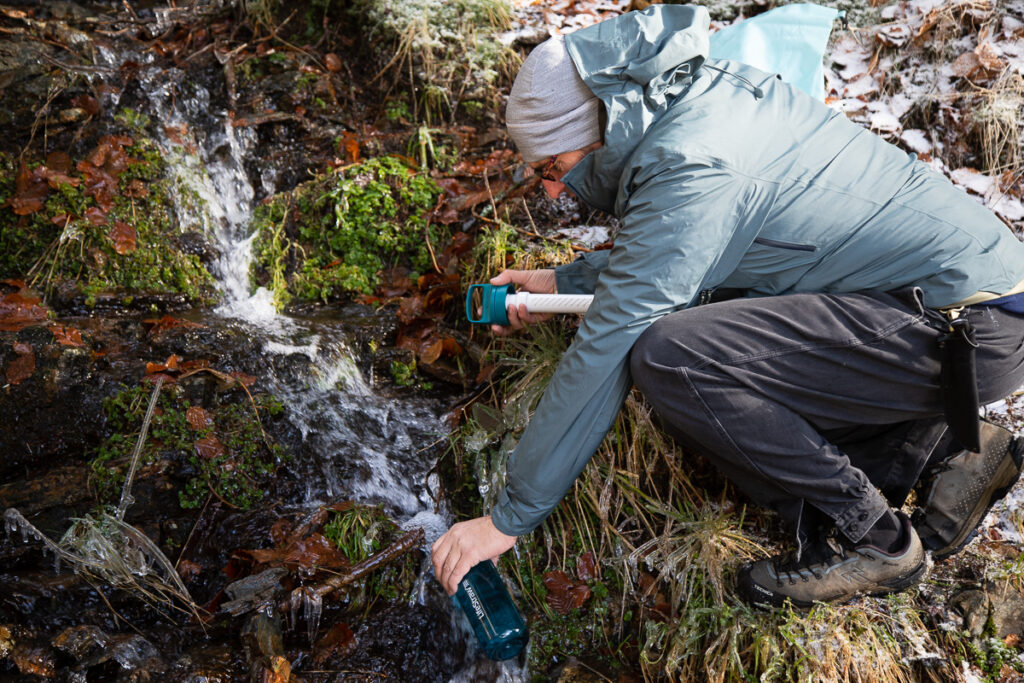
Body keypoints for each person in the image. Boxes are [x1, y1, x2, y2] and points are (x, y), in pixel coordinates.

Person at [431, 4, 1024, 608]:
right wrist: (563, 280)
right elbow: (693, 252)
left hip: (962, 327)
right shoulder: (697, 100)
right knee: (723, 334)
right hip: (964, 309)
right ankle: (944, 453)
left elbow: (611, 341)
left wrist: (508, 519)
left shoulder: (691, 161)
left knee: (674, 356)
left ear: (599, 126)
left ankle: (874, 538)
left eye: (552, 168)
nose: (554, 191)